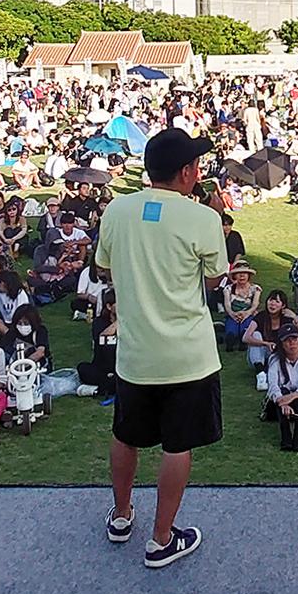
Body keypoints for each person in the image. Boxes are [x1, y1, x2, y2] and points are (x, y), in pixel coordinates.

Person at [94, 127, 225, 569]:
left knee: (125, 435)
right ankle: (161, 538)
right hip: (188, 354)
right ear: (187, 171)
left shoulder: (117, 210)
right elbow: (213, 280)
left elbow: (105, 268)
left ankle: (122, 515)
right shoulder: (202, 217)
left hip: (135, 352)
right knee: (177, 445)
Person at [262, 325, 298, 452]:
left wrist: (291, 397)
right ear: (281, 344)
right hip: (279, 398)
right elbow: (273, 386)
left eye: (295, 339)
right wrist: (282, 402)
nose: (292, 343)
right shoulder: (274, 359)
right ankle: (286, 440)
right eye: (287, 340)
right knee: (282, 400)